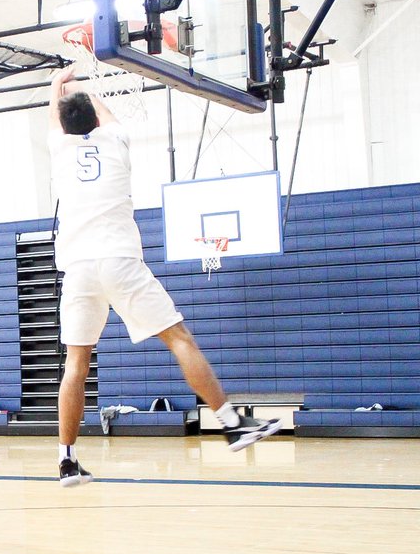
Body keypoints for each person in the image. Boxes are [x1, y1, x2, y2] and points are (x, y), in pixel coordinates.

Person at [47, 65, 281, 486]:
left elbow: (56, 115)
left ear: (63, 125)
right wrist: (83, 85)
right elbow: (103, 117)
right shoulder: (115, 140)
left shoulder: (58, 150)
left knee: (76, 363)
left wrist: (57, 85)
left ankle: (66, 459)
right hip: (119, 258)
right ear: (95, 119)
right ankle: (231, 424)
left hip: (78, 268)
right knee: (178, 339)